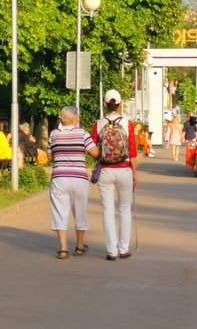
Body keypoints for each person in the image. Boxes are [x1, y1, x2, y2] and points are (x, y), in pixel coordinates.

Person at [91, 89, 138, 261]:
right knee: (125, 209)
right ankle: (123, 248)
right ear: (120, 104)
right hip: (124, 169)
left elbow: (94, 150)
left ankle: (111, 251)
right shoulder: (128, 123)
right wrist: (134, 173)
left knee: (107, 210)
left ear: (105, 104)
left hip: (105, 171)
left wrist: (102, 157)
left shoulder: (98, 124)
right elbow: (132, 151)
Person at [48, 106, 100, 260]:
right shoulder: (82, 134)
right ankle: (79, 246)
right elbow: (95, 153)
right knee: (80, 211)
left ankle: (63, 249)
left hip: (59, 178)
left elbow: (51, 157)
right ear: (75, 118)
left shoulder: (53, 135)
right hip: (79, 178)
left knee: (59, 212)